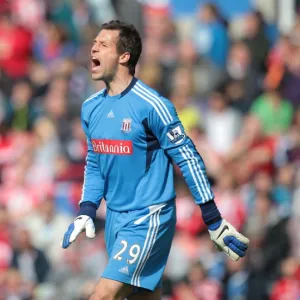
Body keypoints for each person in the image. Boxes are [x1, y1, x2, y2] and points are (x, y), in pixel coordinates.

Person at [62, 20, 249, 300]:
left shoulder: (152, 105)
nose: (93, 48)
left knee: (102, 295)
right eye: (93, 43)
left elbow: (188, 158)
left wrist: (212, 218)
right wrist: (87, 209)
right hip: (115, 217)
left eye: (102, 44)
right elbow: (94, 162)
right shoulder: (91, 108)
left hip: (150, 216)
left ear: (124, 56)